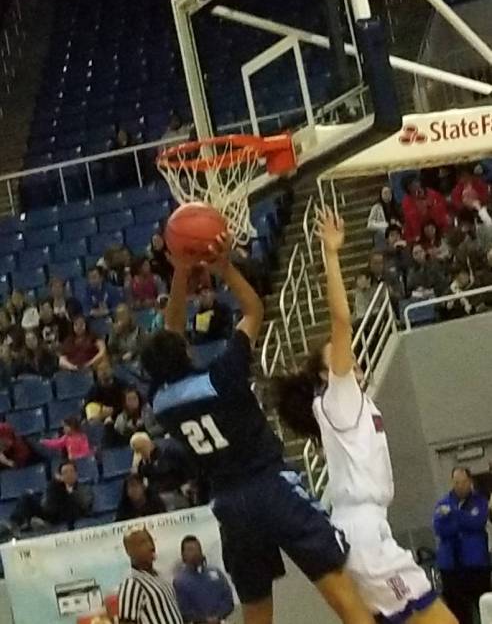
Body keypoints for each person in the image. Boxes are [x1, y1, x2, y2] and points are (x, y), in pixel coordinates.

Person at [141, 235, 375, 624]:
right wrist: (225, 269)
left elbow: (171, 327)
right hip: (269, 484)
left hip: (229, 504)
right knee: (337, 585)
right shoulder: (223, 375)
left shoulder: (161, 402)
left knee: (256, 608)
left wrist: (180, 271)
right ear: (184, 351)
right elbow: (252, 310)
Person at [269, 208, 457, 624]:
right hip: (364, 535)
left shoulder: (350, 405)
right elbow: (341, 320)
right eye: (340, 359)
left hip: (365, 532)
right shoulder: (338, 398)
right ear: (326, 374)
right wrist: (332, 256)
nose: (351, 361)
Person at [433, 467, 490, 624]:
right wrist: (462, 521)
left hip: (476, 567)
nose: (460, 486)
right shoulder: (442, 503)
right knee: (459, 614)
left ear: (470, 481)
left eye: (464, 482)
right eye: (457, 482)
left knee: (484, 607)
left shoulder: (480, 501)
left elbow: (477, 522)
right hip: (451, 569)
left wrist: (454, 514)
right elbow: (440, 528)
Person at [118, 527, 183, 624]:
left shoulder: (160, 576)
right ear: (129, 551)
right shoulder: (132, 583)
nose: (151, 546)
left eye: (151, 540)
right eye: (143, 543)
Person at [10, 460, 93, 531]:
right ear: (61, 476)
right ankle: (18, 524)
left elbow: (84, 504)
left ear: (76, 474)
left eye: (71, 471)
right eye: (65, 472)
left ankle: (45, 524)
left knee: (68, 499)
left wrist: (69, 491)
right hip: (52, 511)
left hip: (70, 513)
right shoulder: (56, 486)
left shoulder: (84, 489)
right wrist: (55, 484)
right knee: (26, 497)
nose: (68, 474)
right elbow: (46, 504)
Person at [173, 535, 234, 623]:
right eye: (190, 550)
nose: (195, 553)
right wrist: (205, 620)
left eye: (197, 549)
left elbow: (228, 599)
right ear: (183, 555)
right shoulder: (179, 581)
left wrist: (218, 616)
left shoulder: (216, 573)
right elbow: (184, 610)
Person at [131, 432, 196, 512]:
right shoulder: (142, 461)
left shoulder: (169, 449)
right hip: (159, 494)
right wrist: (139, 465)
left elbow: (188, 465)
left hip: (178, 490)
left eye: (141, 450)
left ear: (146, 445)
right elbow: (140, 477)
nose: (140, 454)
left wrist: (189, 483)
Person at [402, 177, 450, 243]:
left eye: (416, 183)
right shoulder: (406, 202)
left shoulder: (433, 194)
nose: (415, 186)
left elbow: (442, 212)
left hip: (438, 231)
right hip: (420, 236)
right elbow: (411, 221)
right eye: (411, 186)